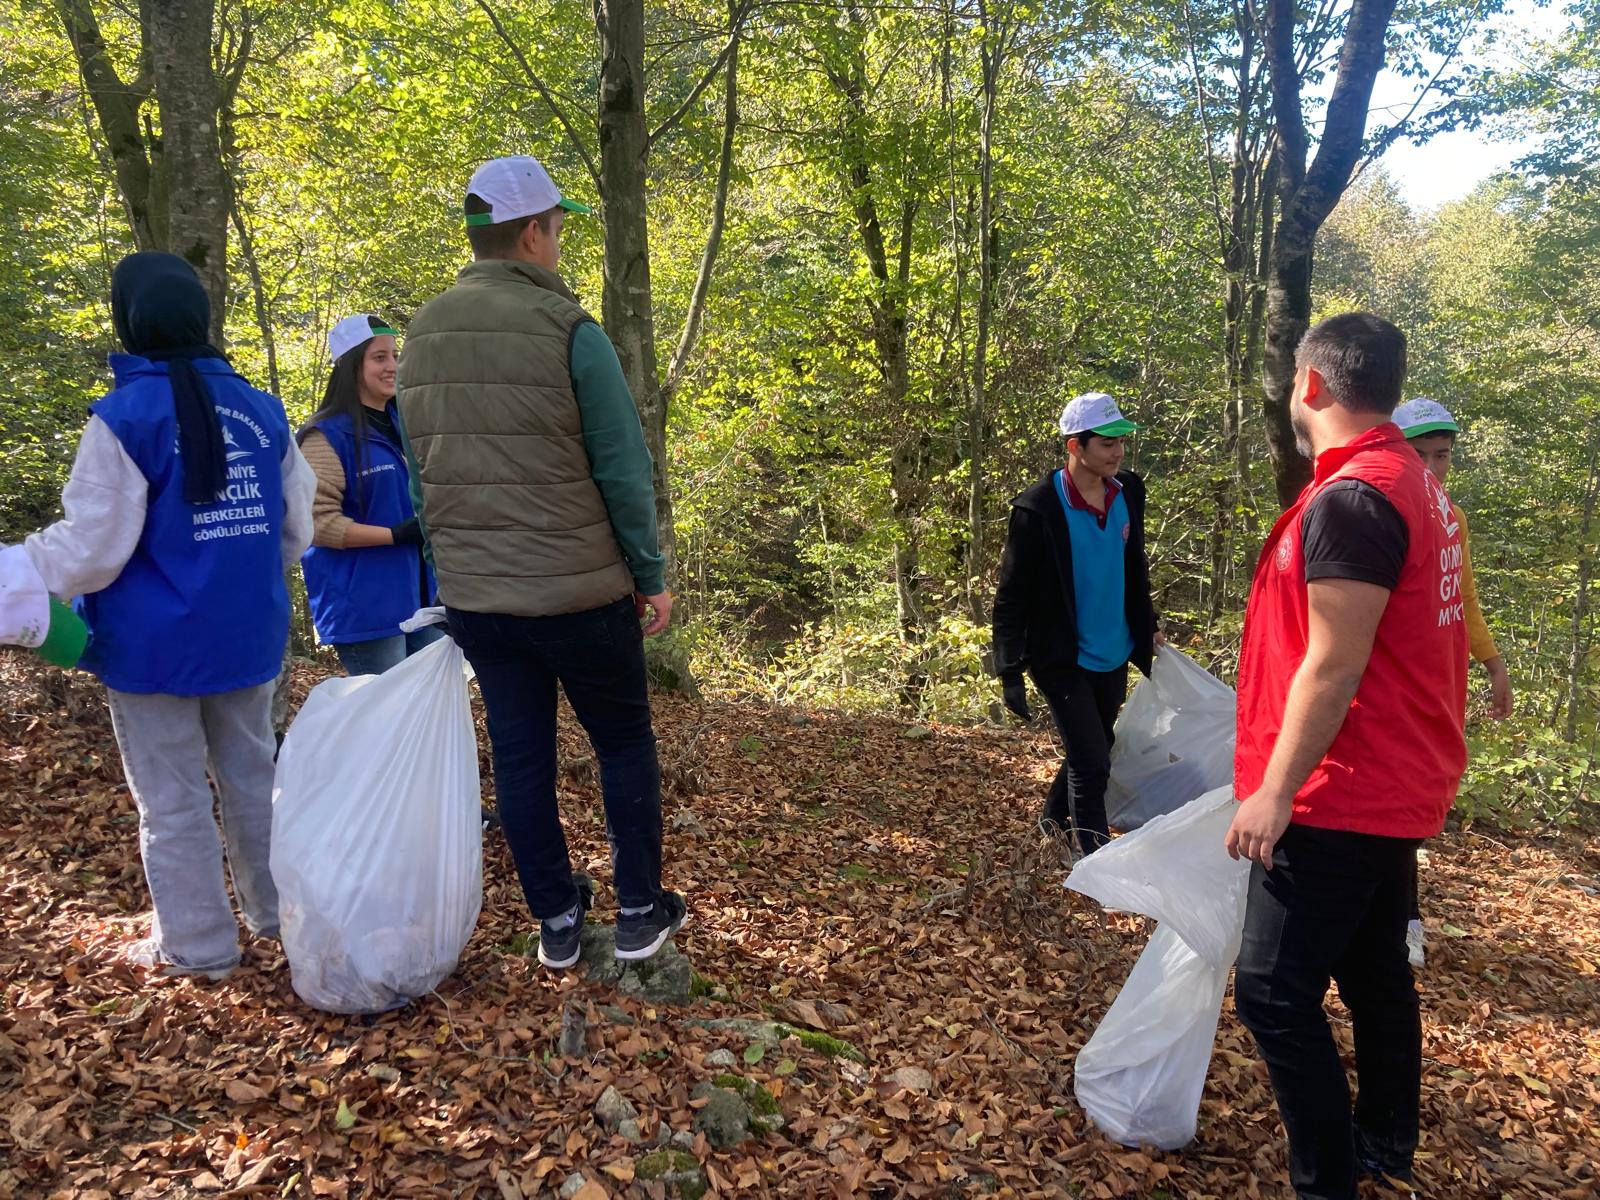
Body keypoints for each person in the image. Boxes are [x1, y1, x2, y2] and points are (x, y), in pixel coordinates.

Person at [396, 154, 683, 971]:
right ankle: (636, 911)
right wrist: (649, 572)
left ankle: (556, 920)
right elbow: (621, 466)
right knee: (623, 744)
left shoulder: (421, 334)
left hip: (482, 601)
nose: (558, 246)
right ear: (531, 234)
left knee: (521, 757)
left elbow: (424, 474)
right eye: (556, 230)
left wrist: (453, 567)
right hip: (581, 595)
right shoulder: (570, 331)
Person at [15, 252, 315, 980]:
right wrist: (234, 582)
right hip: (245, 636)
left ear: (130, 319)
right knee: (252, 777)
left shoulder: (123, 418)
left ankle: (202, 949)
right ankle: (279, 918)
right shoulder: (262, 409)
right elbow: (296, 530)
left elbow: (91, 550)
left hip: (150, 650)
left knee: (173, 798)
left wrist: (18, 570)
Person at [1226, 312, 1468, 1200]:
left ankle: (1327, 1180)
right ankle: (1385, 1141)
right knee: (1374, 973)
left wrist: (1274, 790)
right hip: (1390, 777)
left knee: (1272, 994)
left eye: (1295, 381)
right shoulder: (1410, 483)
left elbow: (1335, 661)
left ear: (1313, 385)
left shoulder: (1358, 498)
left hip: (1341, 789)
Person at [991, 391, 1160, 857]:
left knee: (1097, 744)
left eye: (1121, 441)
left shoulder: (1129, 492)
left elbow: (1133, 566)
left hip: (1114, 647)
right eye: (1107, 443)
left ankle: (1052, 820)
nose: (1118, 451)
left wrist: (1149, 625)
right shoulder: (1038, 508)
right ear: (1075, 446)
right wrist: (1008, 667)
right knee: (1090, 759)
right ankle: (1095, 861)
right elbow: (1012, 593)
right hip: (1060, 654)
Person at [1393, 396, 1513, 968]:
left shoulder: (1451, 517)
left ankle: (1404, 920)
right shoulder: (1379, 506)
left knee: (1410, 805)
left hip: (1434, 688)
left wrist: (1492, 664)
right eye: (1419, 454)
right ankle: (1394, 921)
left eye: (1441, 456)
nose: (1431, 468)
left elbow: (1461, 598)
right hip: (1386, 687)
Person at [298, 314, 439, 675]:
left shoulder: (404, 425)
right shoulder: (325, 436)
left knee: (427, 718)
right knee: (387, 724)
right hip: (366, 609)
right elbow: (317, 523)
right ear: (350, 364)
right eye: (380, 357)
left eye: (395, 355)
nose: (393, 365)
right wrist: (396, 535)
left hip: (420, 601)